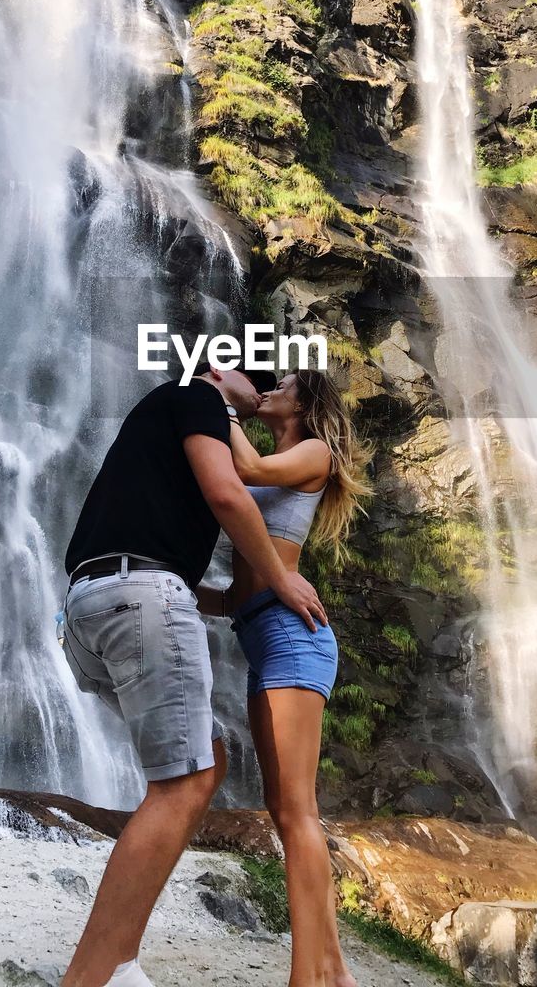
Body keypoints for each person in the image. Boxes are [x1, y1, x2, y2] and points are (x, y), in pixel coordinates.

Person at [59, 364, 328, 987]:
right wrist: (282, 577)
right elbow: (229, 493)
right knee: (188, 780)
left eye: (276, 381)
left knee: (199, 760)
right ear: (215, 371)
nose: (261, 383)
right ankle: (92, 976)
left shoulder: (165, 417)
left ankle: (117, 964)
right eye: (250, 373)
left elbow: (226, 582)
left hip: (87, 606)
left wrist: (234, 595)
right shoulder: (200, 397)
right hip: (143, 596)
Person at [199, 370, 372, 987]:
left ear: (309, 402)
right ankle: (336, 972)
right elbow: (241, 592)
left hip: (294, 642)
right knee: (284, 810)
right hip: (262, 633)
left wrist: (221, 400)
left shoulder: (312, 453)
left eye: (284, 384)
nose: (270, 388)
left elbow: (241, 471)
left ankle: (308, 979)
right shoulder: (281, 458)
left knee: (296, 812)